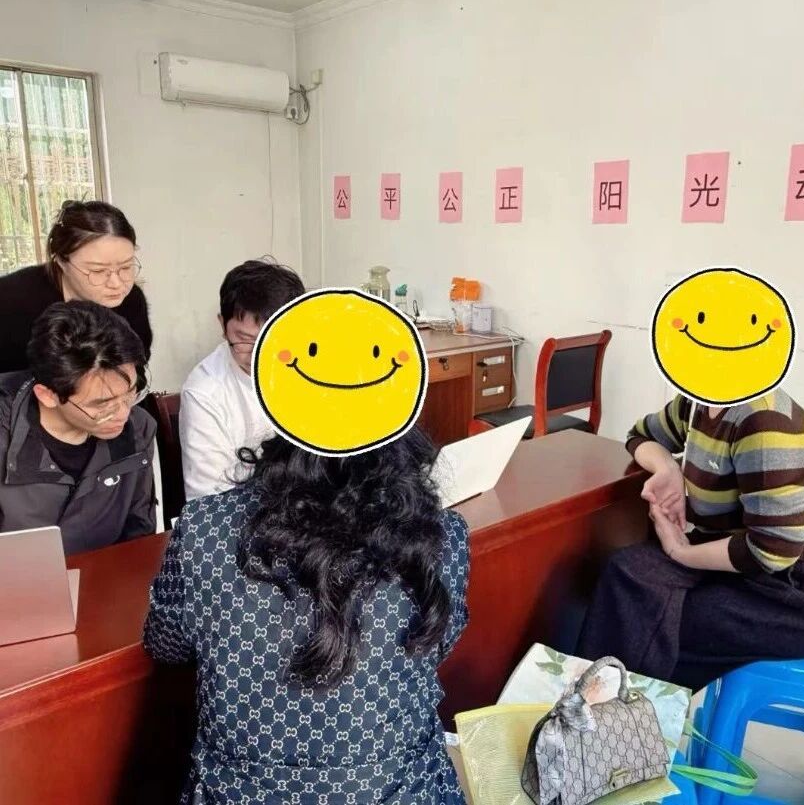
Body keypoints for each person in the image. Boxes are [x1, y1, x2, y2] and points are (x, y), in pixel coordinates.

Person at [144, 427, 469, 803]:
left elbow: (165, 644)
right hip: (401, 794)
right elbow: (434, 647)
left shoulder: (204, 529)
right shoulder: (443, 536)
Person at [577, 390, 804, 691]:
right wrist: (668, 468)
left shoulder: (763, 421)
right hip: (730, 554)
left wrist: (680, 551)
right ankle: (596, 702)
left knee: (669, 619)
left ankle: (623, 709)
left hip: (789, 581)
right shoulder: (697, 399)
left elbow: (774, 549)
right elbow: (640, 436)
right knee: (626, 571)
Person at [0, 301, 156, 555]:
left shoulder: (139, 429)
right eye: (102, 405)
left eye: (130, 393)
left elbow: (139, 536)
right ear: (48, 396)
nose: (124, 414)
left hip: (107, 576)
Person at [179, 259, 304, 500]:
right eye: (246, 340)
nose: (260, 355)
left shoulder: (312, 369)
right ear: (222, 325)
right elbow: (208, 499)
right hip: (248, 513)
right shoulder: (205, 392)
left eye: (274, 340)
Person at [0, 200, 152, 374]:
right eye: (98, 271)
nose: (116, 283)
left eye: (125, 267)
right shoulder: (11, 301)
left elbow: (138, 368)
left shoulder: (132, 300)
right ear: (61, 261)